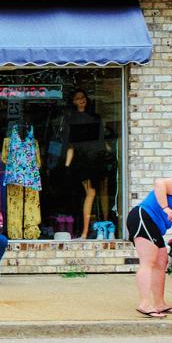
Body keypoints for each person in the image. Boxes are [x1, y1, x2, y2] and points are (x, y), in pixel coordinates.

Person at [125, 166, 172, 317]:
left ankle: (159, 304)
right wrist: (165, 208)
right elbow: (160, 183)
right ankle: (145, 304)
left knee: (161, 261)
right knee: (148, 261)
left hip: (154, 226)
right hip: (143, 217)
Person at [62, 89, 111, 238]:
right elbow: (71, 145)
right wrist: (66, 165)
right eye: (77, 98)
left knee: (103, 191)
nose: (81, 100)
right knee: (91, 193)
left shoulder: (95, 117)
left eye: (83, 97)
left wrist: (108, 151)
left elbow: (102, 140)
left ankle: (107, 225)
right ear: (73, 101)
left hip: (98, 157)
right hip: (84, 160)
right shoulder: (72, 119)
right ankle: (84, 232)